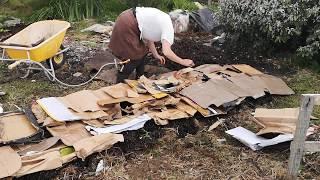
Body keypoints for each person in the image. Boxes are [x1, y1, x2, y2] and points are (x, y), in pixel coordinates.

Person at [109, 7, 195, 83]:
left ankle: (140, 78)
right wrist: (183, 61)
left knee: (143, 52)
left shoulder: (164, 18)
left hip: (127, 16)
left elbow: (149, 37)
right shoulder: (168, 26)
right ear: (179, 25)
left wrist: (156, 54)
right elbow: (167, 52)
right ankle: (120, 81)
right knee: (135, 56)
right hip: (128, 24)